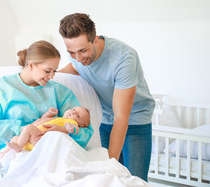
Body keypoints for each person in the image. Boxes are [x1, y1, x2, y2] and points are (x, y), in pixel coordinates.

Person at [58, 13, 155, 182]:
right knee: (105, 179)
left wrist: (110, 165)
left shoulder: (124, 58)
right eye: (72, 52)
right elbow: (74, 68)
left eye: (83, 51)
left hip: (135, 120)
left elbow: (121, 117)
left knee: (134, 179)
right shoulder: (77, 55)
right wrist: (47, 76)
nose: (79, 58)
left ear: (95, 39)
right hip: (105, 119)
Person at [0, 40, 94, 153]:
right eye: (48, 71)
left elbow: (85, 131)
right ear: (31, 65)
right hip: (13, 153)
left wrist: (65, 131)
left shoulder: (60, 92)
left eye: (54, 71)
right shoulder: (0, 89)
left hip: (49, 151)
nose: (52, 76)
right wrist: (24, 129)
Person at [0, 106, 90, 158]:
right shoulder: (58, 118)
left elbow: (75, 129)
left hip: (40, 139)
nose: (73, 112)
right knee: (15, 138)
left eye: (78, 116)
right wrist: (49, 114)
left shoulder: (71, 123)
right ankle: (3, 154)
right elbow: (42, 120)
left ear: (81, 125)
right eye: (73, 110)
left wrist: (72, 128)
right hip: (31, 139)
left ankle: (18, 147)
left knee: (28, 128)